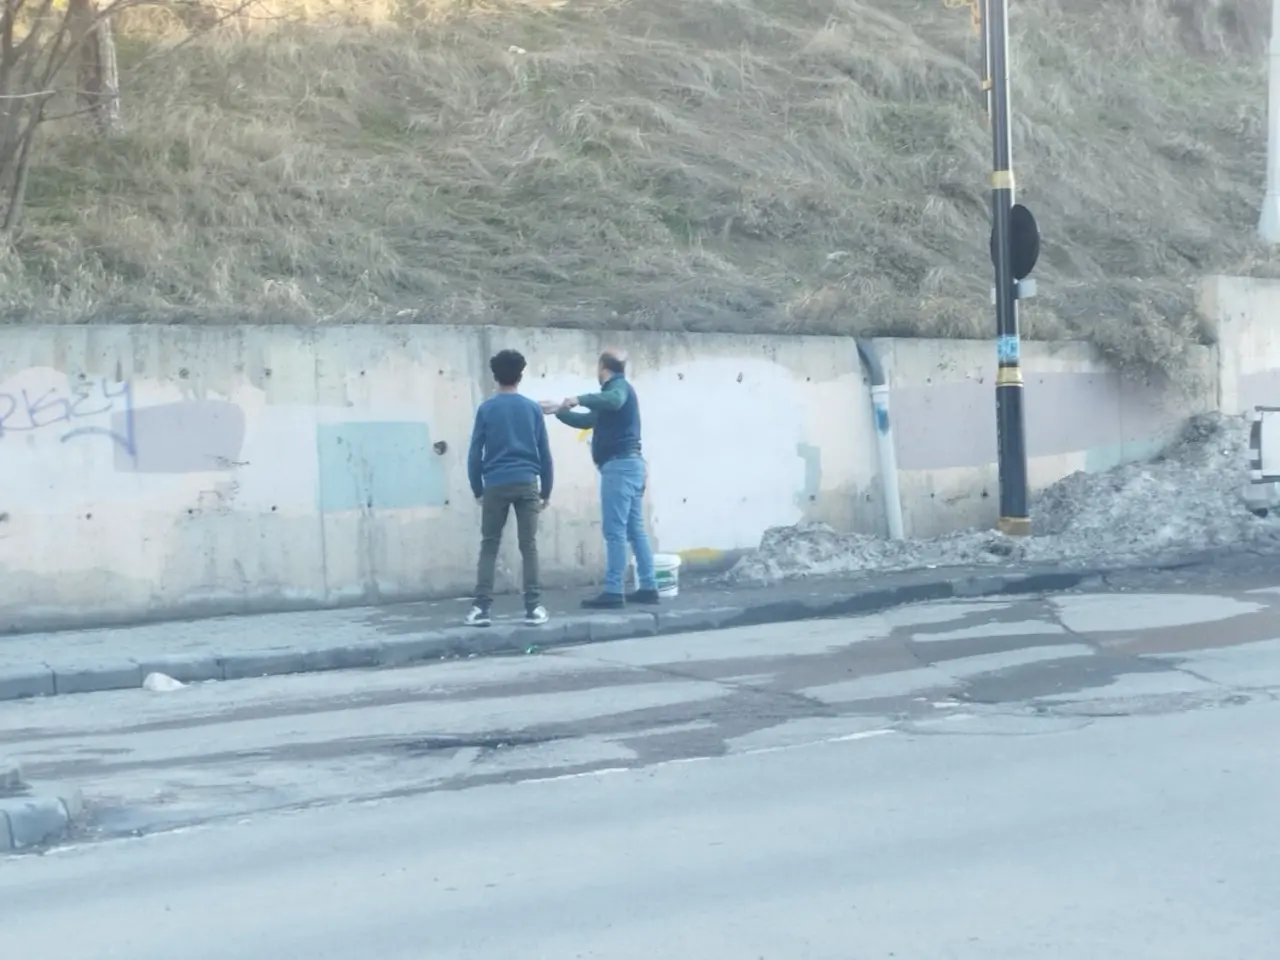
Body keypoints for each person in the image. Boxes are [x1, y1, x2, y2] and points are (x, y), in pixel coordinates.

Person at [542, 349, 659, 609]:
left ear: (602, 368)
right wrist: (559, 410)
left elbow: (613, 400)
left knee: (615, 531)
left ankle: (614, 590)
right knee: (634, 530)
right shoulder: (613, 395)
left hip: (619, 468)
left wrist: (577, 399)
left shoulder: (618, 388)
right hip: (630, 466)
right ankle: (648, 586)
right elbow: (588, 421)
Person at [466, 349, 553, 627]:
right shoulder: (532, 409)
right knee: (528, 546)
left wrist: (477, 488)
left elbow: (475, 453)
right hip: (527, 482)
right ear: (520, 376)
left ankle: (481, 609)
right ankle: (533, 608)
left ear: (495, 376)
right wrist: (546, 490)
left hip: (495, 484)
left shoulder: (486, 409)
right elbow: (544, 452)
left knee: (489, 545)